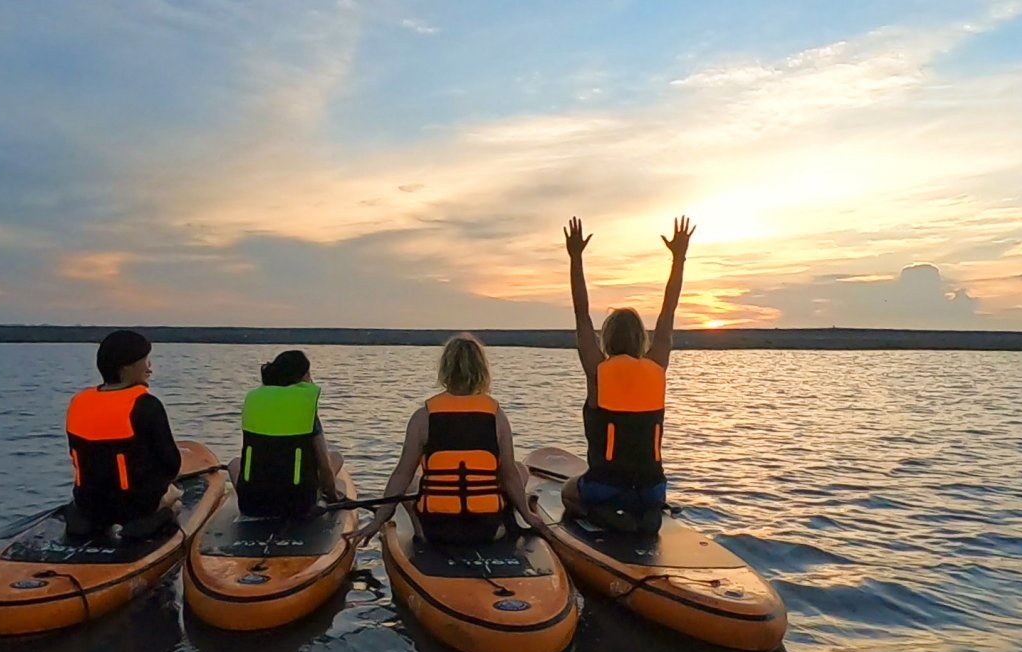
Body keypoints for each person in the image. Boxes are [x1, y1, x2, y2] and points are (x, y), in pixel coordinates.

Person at [560, 215, 696, 535]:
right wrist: (679, 258)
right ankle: (647, 512)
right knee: (640, 493)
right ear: (641, 339)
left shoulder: (597, 371)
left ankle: (603, 515)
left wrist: (576, 258)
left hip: (606, 487)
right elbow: (668, 312)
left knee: (568, 492)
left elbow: (581, 314)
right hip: (652, 488)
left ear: (606, 338)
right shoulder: (657, 365)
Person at [350, 334, 539, 547]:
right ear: (482, 370)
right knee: (519, 469)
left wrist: (377, 521)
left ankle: (418, 529)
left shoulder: (423, 417)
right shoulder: (497, 416)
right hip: (486, 530)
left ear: (445, 370)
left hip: (436, 531)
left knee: (412, 480)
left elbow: (401, 475)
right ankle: (508, 521)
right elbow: (510, 475)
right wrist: (529, 515)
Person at [64, 330, 182, 540]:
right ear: (127, 367)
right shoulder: (147, 405)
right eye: (145, 361)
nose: (150, 368)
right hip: (135, 508)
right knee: (176, 495)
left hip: (88, 505)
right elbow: (171, 464)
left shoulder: (78, 402)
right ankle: (160, 515)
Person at [231, 350, 342, 517]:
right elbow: (325, 467)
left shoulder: (255, 401)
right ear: (304, 377)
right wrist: (333, 497)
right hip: (299, 503)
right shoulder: (304, 407)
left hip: (252, 503)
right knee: (336, 457)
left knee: (234, 463)